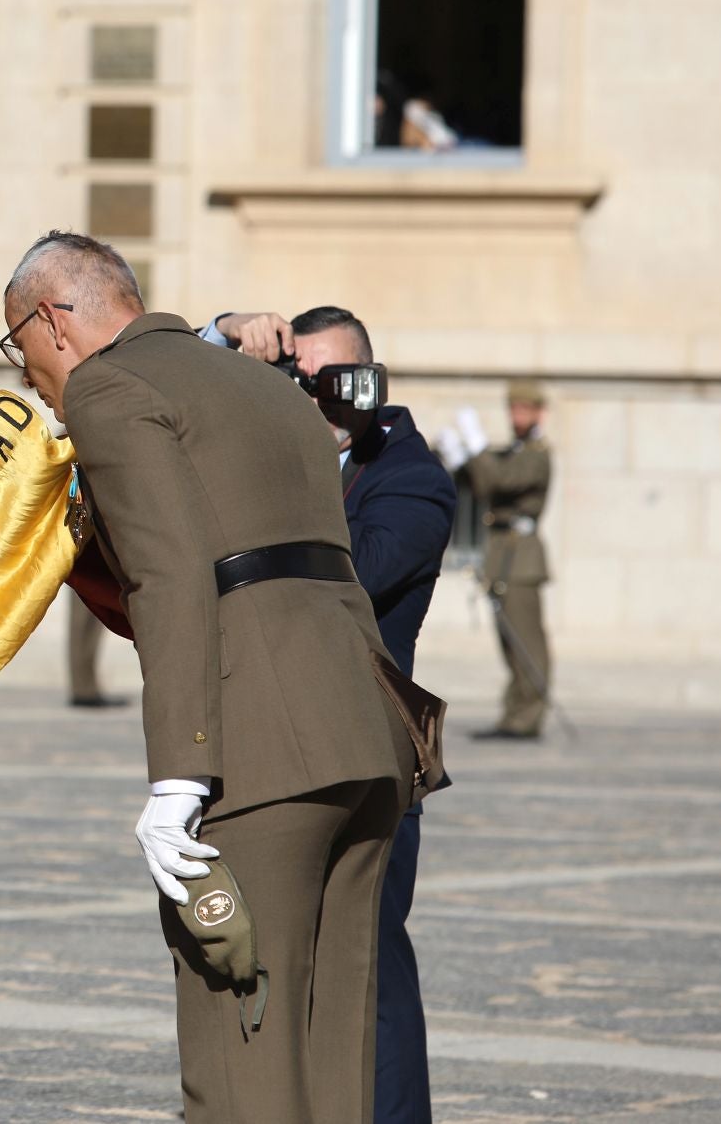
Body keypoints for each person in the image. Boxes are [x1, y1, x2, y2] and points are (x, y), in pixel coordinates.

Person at [0, 231, 415, 1124]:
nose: (26, 372)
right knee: (334, 1061)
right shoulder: (261, 385)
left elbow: (171, 575)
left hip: (260, 748)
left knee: (241, 1061)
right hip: (365, 730)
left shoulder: (112, 387)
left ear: (50, 319)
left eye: (18, 347)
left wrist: (179, 776)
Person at [209, 305, 457, 1124]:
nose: (315, 402)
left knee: (372, 967)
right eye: (298, 384)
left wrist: (298, 457)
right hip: (281, 747)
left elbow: (356, 569)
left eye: (332, 382)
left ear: (371, 381)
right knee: (282, 960)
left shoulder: (409, 477)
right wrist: (225, 337)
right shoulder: (284, 453)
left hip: (374, 757)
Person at [443, 382, 553, 739]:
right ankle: (514, 712)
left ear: (539, 412)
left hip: (522, 555)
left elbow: (499, 480)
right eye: (514, 408)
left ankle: (529, 715)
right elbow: (482, 482)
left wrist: (475, 447)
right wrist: (461, 460)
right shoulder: (515, 451)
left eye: (524, 409)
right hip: (503, 553)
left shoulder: (537, 454)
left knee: (526, 639)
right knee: (509, 640)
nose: (517, 415)